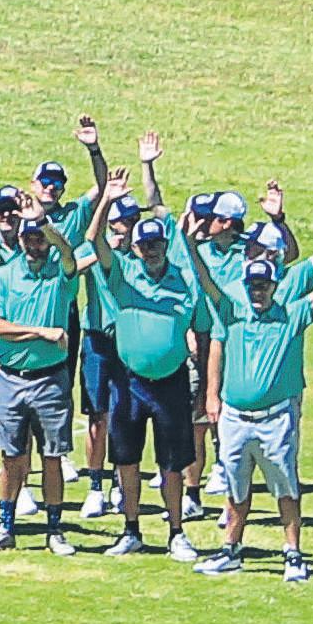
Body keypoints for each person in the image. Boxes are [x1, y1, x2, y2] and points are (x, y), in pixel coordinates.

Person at [190, 184, 313, 582]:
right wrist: (190, 244)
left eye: (264, 285)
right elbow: (205, 281)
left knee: (285, 488)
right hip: (235, 416)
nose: (258, 291)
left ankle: (293, 554)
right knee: (236, 489)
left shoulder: (290, 313)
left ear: (274, 282)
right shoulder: (232, 308)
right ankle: (230, 550)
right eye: (253, 285)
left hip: (275, 417)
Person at [84, 141, 203, 558]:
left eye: (156, 244)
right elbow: (93, 239)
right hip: (129, 381)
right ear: (134, 248)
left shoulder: (182, 279)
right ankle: (131, 530)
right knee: (127, 459)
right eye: (144, 245)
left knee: (172, 463)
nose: (151, 251)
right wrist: (107, 199)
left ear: (164, 246)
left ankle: (176, 532)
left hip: (170, 381)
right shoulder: (123, 275)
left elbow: (203, 330)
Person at [0, 175, 105, 555]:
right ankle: (6, 526)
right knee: (11, 458)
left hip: (50, 380)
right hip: (10, 378)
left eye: (39, 239)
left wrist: (45, 223)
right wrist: (40, 332)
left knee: (52, 457)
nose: (34, 245)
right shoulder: (3, 277)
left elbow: (68, 253)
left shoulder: (60, 275)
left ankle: (54, 529)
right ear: (20, 240)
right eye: (29, 239)